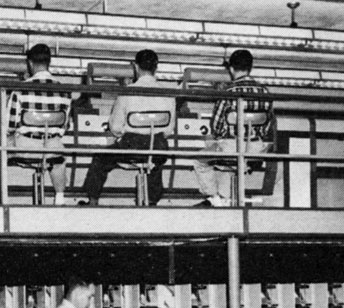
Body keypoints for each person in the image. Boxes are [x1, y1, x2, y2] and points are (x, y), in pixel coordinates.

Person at [0, 43, 71, 206]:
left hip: (25, 146)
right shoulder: (65, 91)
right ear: (49, 63)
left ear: (30, 64)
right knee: (58, 154)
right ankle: (60, 199)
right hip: (52, 146)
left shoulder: (20, 89)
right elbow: (64, 126)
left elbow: (8, 125)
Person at [80, 49, 175, 206]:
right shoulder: (168, 94)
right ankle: (152, 201)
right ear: (156, 68)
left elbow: (115, 127)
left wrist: (122, 133)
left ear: (136, 67)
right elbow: (168, 130)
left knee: (101, 158)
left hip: (132, 146)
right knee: (154, 158)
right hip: (158, 146)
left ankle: (93, 200)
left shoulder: (127, 93)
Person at [193, 49, 273, 207]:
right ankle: (226, 198)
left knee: (200, 160)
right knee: (233, 163)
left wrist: (221, 137)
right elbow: (266, 128)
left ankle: (214, 197)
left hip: (232, 148)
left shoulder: (228, 93)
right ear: (250, 68)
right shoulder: (265, 92)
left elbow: (216, 127)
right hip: (256, 151)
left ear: (231, 68)